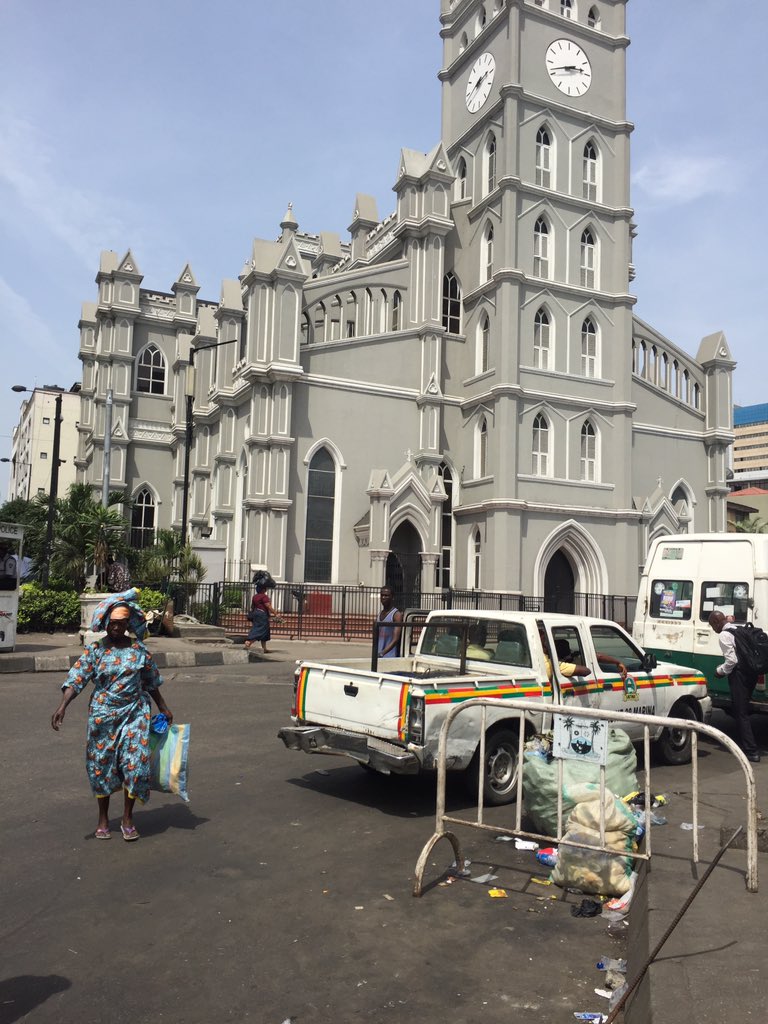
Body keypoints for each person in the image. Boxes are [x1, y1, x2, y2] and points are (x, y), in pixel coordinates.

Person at [50, 588, 174, 840]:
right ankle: (103, 818)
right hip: (103, 715)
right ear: (106, 624)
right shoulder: (96, 650)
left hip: (135, 713)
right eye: (112, 623)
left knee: (136, 764)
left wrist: (163, 706)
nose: (116, 628)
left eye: (121, 624)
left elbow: (150, 681)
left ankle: (128, 818)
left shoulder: (139, 650)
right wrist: (63, 705)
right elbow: (77, 679)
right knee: (101, 766)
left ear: (128, 624)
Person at [709, 610, 760, 763]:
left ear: (717, 623)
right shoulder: (738, 629)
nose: (713, 629)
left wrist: (720, 671)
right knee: (740, 709)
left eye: (712, 625)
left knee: (741, 712)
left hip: (739, 676)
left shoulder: (724, 636)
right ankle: (747, 744)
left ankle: (751, 751)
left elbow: (731, 661)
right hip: (752, 674)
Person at [245, 580, 276, 654]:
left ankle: (264, 648)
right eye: (265, 588)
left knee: (262, 630)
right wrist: (275, 613)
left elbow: (253, 606)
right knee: (261, 630)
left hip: (256, 613)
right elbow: (268, 606)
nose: (266, 590)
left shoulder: (255, 596)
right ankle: (249, 642)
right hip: (262, 615)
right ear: (263, 589)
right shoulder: (264, 596)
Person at [377, 586, 403, 658]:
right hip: (379, 656)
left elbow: (395, 639)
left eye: (386, 595)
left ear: (392, 597)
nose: (383, 597)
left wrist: (382, 653)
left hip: (389, 656)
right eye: (382, 595)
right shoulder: (380, 614)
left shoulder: (396, 615)